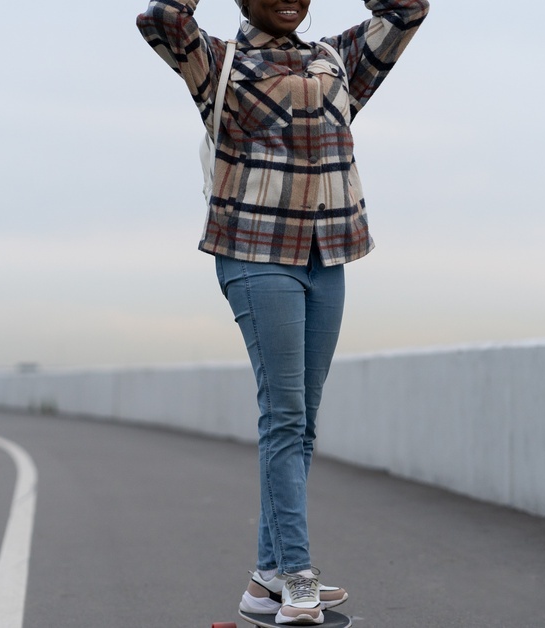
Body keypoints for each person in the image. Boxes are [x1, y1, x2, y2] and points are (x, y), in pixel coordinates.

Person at [137, 0, 429, 623]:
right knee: (285, 415)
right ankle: (296, 572)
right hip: (254, 251)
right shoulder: (219, 62)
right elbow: (160, 19)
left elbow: (407, 11)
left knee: (301, 422)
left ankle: (266, 580)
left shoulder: (335, 60)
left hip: (329, 255)